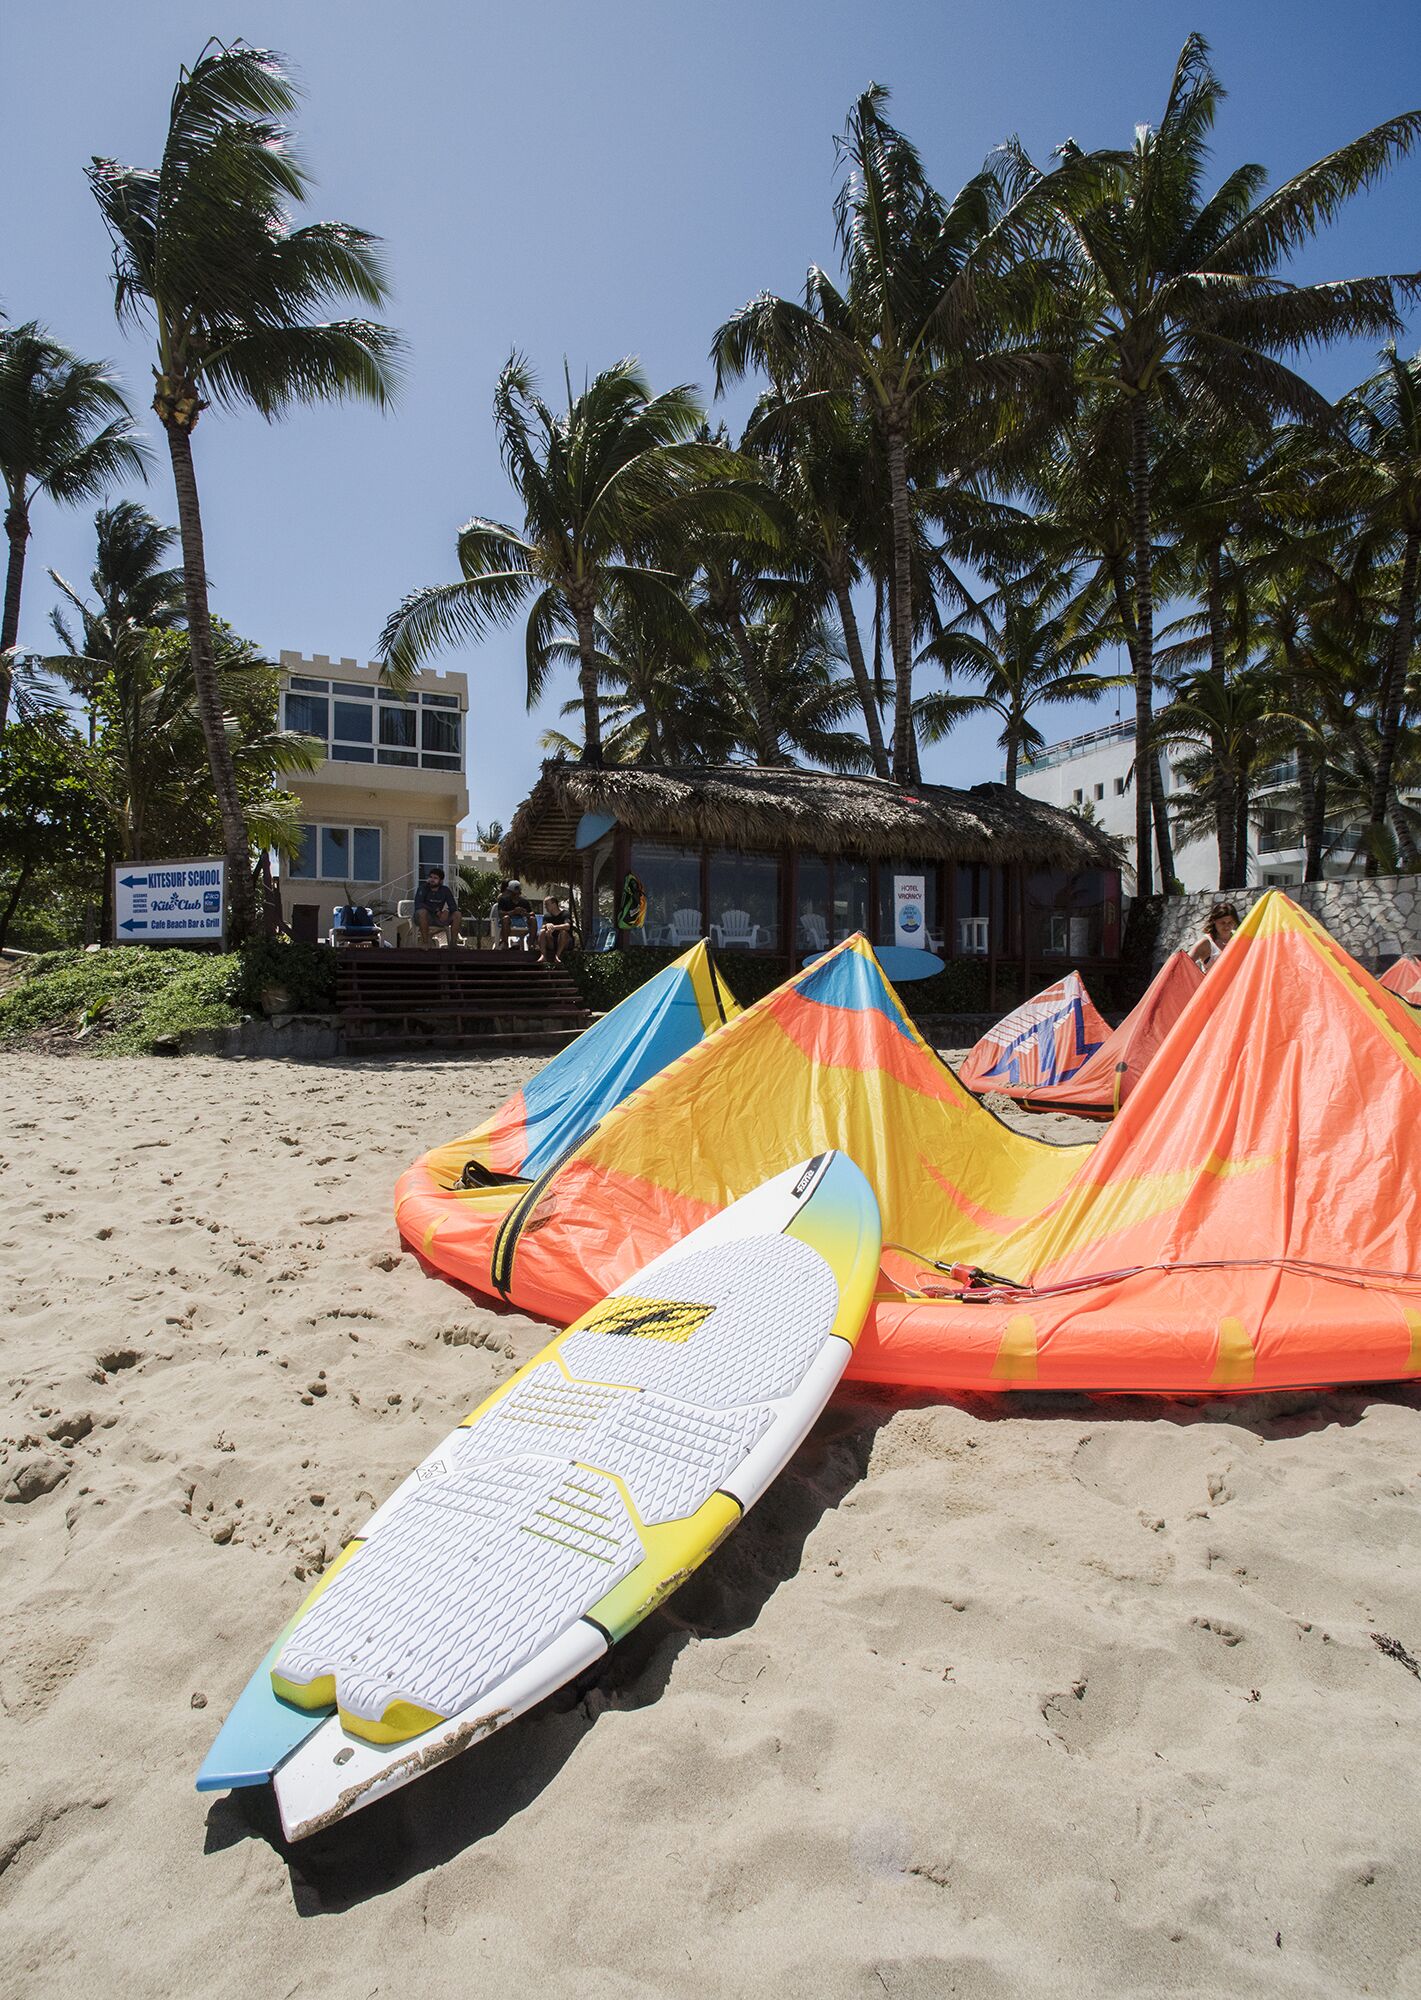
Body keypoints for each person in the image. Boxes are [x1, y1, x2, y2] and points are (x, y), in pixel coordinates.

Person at [413, 865, 460, 948]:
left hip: (438, 918)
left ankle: (453, 944)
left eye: (435, 878)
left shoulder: (445, 890)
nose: (432, 880)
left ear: (441, 881)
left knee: (457, 914)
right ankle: (425, 943)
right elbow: (418, 904)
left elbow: (453, 906)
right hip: (424, 918)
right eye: (431, 877)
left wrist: (447, 911)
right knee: (422, 912)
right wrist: (435, 910)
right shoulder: (422, 888)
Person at [1189, 900, 1239, 971]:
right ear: (1214, 921)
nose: (1226, 927)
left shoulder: (1239, 938)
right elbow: (1185, 964)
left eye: (1230, 922)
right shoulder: (1206, 943)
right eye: (1222, 923)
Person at [493, 878, 535, 950]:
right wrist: (513, 912)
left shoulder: (524, 901)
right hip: (508, 921)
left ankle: (531, 944)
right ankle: (505, 944)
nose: (516, 895)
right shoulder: (503, 900)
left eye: (517, 893)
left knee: (533, 919)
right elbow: (500, 913)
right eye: (514, 893)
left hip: (521, 921)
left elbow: (532, 913)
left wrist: (525, 914)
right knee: (506, 918)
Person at [538, 893, 574, 966]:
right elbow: (542, 927)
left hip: (565, 942)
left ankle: (557, 956)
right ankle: (543, 955)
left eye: (547, 904)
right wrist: (547, 926)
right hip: (552, 942)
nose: (545, 907)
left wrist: (554, 927)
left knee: (563, 932)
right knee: (542, 931)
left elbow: (568, 926)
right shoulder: (547, 916)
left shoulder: (565, 913)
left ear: (554, 904)